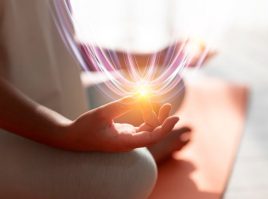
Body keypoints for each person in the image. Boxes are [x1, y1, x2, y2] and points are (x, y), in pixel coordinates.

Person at [0, 0, 193, 198]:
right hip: (15, 129)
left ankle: (93, 151)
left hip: (63, 101)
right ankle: (137, 153)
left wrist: (150, 58)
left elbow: (52, 44)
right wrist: (64, 134)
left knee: (169, 86)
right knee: (136, 172)